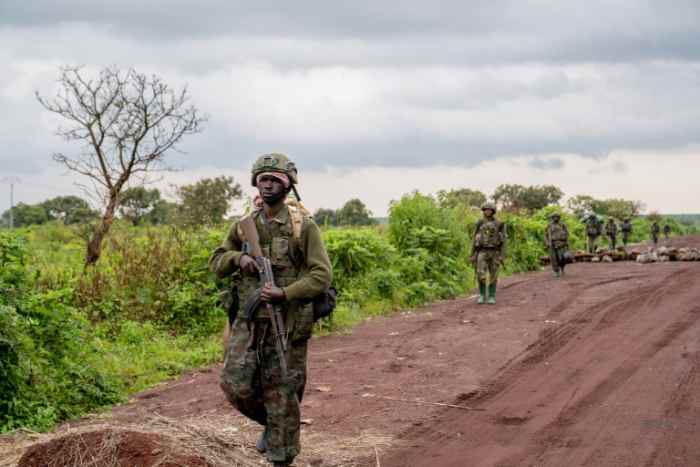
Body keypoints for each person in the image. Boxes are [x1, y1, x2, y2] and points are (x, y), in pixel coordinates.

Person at [209, 153, 332, 467]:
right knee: (234, 383)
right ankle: (275, 424)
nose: (267, 184)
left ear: (288, 184)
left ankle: (281, 453)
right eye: (263, 178)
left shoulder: (303, 227)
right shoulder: (244, 226)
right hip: (249, 320)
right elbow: (217, 262)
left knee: (283, 389)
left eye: (275, 179)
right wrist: (239, 259)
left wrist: (285, 292)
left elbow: (321, 275)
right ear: (255, 181)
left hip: (288, 322)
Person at [470, 202, 506, 304]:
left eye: (490, 209)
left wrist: (502, 256)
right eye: (486, 209)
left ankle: (491, 296)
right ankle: (481, 295)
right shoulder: (480, 222)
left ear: (493, 211)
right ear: (483, 210)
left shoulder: (499, 223)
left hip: (494, 252)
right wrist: (472, 254)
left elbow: (504, 241)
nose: (488, 211)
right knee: (480, 273)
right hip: (481, 251)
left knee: (493, 275)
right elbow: (474, 238)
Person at [545, 212, 569, 278]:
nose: (556, 218)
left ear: (559, 218)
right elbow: (546, 235)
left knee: (562, 258)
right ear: (552, 218)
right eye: (554, 217)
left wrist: (566, 243)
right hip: (552, 244)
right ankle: (556, 271)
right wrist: (547, 243)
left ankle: (562, 268)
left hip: (561, 244)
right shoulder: (549, 226)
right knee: (553, 259)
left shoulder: (562, 225)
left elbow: (567, 234)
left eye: (557, 217)